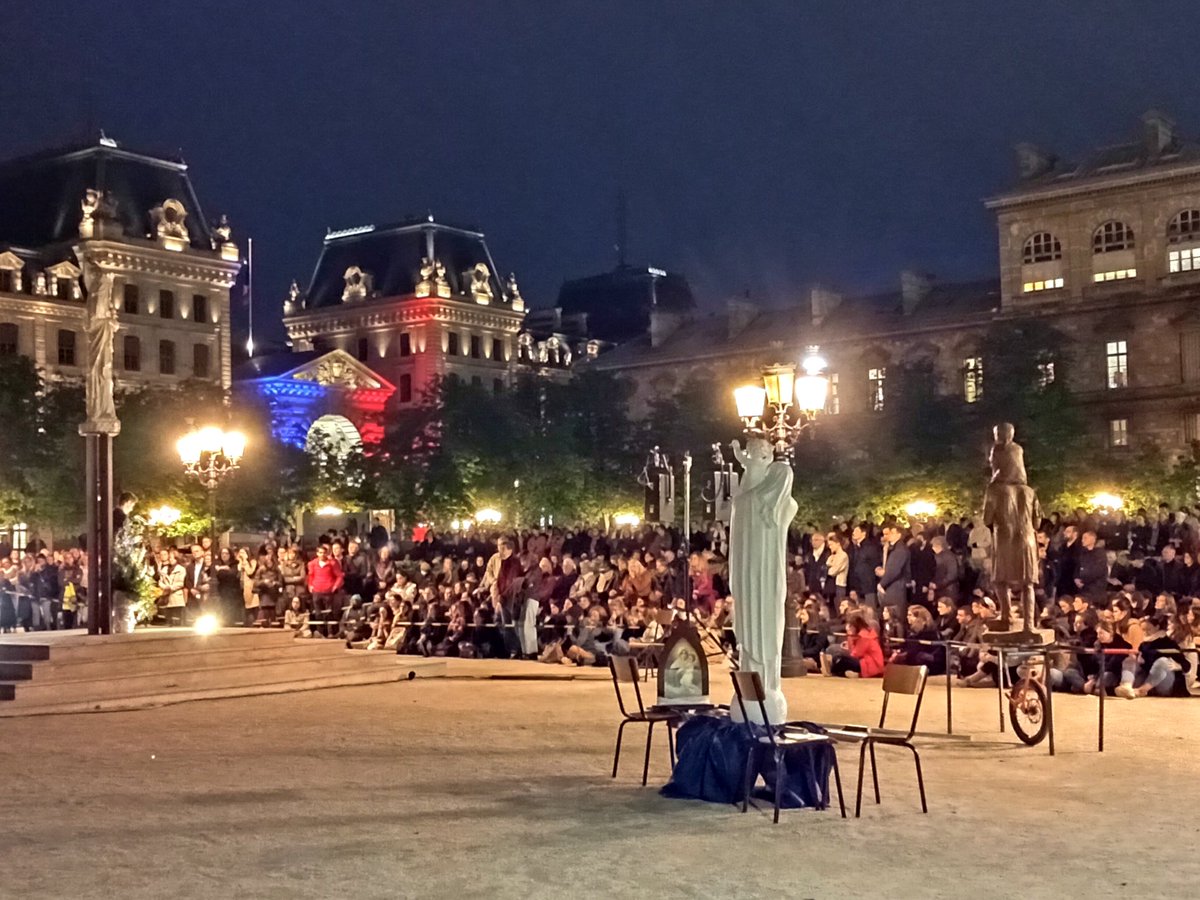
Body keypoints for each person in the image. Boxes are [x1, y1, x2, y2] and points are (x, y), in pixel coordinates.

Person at [1115, 613, 1190, 698]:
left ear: (1157, 627)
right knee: (1129, 659)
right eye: (1143, 630)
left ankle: (1142, 690)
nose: (1146, 632)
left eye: (1148, 629)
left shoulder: (1168, 643)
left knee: (1163, 661)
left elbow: (1187, 665)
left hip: (1164, 683)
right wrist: (1138, 661)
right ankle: (1126, 685)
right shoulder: (1143, 644)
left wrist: (1179, 666)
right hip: (1147, 677)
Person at [875, 523, 910, 625]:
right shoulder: (893, 549)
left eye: (892, 533)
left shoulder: (900, 550)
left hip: (895, 588)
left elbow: (894, 570)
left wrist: (882, 583)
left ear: (899, 535)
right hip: (892, 587)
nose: (889, 534)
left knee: (895, 617)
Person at [829, 613, 884, 678]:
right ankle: (836, 669)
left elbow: (856, 653)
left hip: (870, 665)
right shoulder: (864, 634)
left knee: (843, 659)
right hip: (868, 663)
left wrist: (850, 635)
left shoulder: (864, 636)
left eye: (851, 626)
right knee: (841, 658)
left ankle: (832, 670)